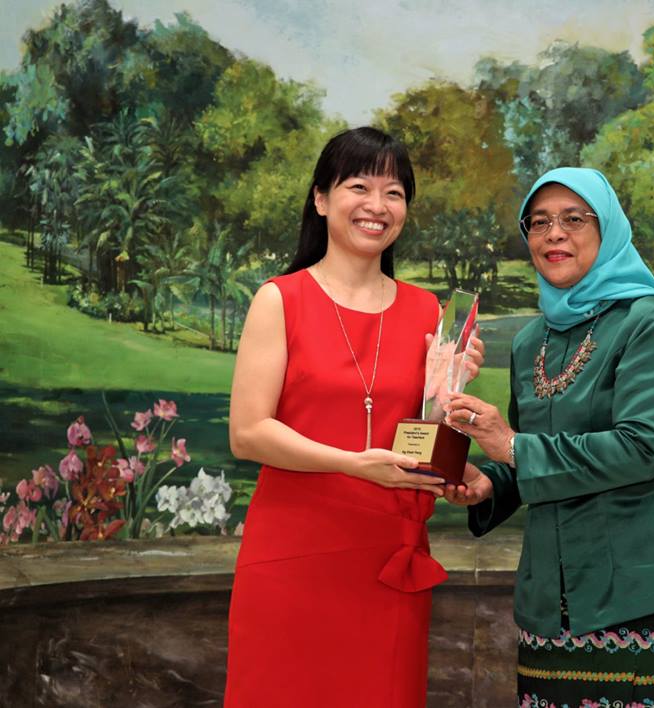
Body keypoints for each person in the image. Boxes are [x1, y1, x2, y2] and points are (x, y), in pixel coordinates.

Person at [443, 167, 654, 708]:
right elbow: (536, 453)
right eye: (540, 221)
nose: (554, 234)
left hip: (642, 601)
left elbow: (642, 448)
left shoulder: (653, 322)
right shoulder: (531, 341)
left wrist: (514, 449)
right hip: (550, 608)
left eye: (574, 218)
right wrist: (491, 484)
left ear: (609, 228)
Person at [224, 127, 483, 707]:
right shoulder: (280, 299)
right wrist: (353, 465)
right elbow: (247, 433)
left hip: (388, 560)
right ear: (321, 198)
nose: (377, 205)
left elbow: (427, 439)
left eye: (394, 192)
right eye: (359, 186)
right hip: (294, 559)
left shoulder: (427, 312)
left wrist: (452, 387)